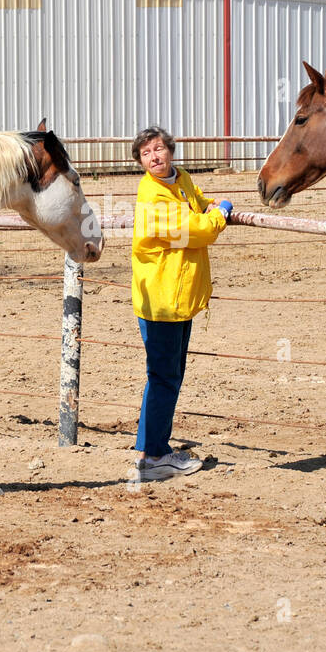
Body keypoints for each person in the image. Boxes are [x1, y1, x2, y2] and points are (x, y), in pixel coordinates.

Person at [129, 126, 231, 482]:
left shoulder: (181, 179)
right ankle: (155, 456)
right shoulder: (152, 198)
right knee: (164, 377)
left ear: (170, 151)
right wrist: (222, 214)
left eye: (158, 149)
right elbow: (197, 230)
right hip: (162, 299)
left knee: (165, 375)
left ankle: (150, 448)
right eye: (146, 154)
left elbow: (199, 201)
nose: (154, 157)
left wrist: (211, 205)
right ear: (140, 162)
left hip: (178, 296)